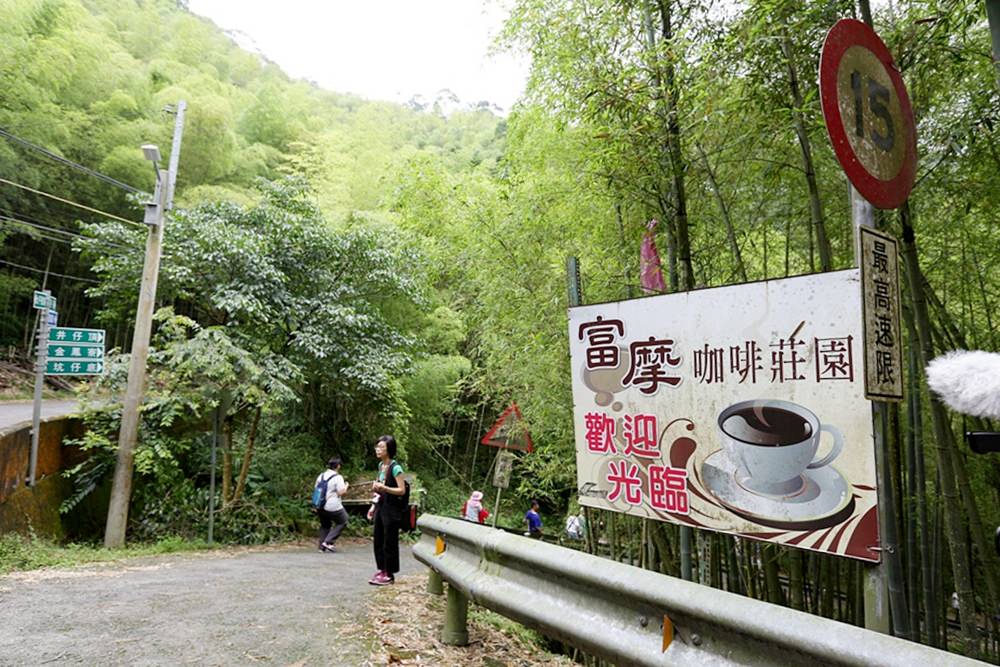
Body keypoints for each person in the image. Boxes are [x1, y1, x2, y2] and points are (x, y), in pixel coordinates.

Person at [368, 435, 406, 586]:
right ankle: (381, 569)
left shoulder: (396, 468)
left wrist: (385, 488)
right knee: (378, 538)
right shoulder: (380, 466)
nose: (378, 449)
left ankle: (389, 573)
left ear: (389, 449)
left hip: (392, 509)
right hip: (381, 506)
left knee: (389, 540)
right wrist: (372, 506)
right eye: (377, 446)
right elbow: (379, 490)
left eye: (382, 447)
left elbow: (401, 490)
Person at [315, 457, 349, 553]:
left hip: (320, 505)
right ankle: (328, 541)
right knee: (343, 520)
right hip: (332, 505)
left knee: (325, 525)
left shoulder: (321, 476)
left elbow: (316, 489)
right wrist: (346, 486)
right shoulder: (338, 477)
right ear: (338, 466)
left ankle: (321, 547)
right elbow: (341, 492)